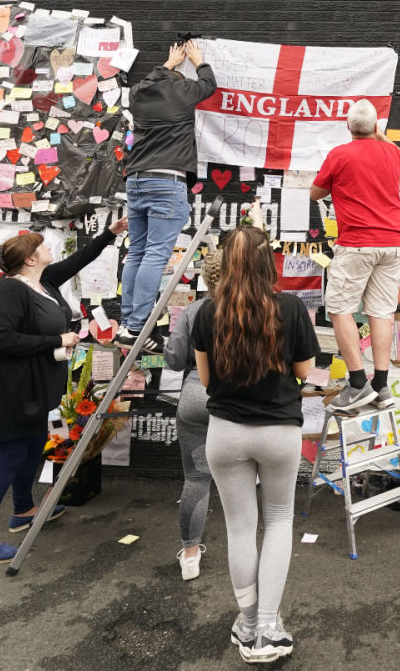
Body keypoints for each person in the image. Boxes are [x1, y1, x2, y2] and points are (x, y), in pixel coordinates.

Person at [0, 217, 128, 564]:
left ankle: (23, 511)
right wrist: (56, 340)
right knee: (9, 458)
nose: (49, 248)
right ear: (29, 259)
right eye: (42, 246)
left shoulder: (44, 283)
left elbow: (77, 260)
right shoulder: (10, 289)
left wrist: (109, 234)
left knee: (29, 450)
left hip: (34, 386)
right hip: (7, 389)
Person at [193, 225, 320, 662]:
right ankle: (268, 627)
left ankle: (246, 623)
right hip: (279, 432)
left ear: (225, 262)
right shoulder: (290, 307)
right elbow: (305, 371)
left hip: (225, 433)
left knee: (240, 528)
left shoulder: (207, 312)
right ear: (270, 261)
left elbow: (206, 380)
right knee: (279, 521)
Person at [116, 37, 217, 354]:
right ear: (178, 81)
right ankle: (137, 328)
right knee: (156, 255)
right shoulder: (182, 91)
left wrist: (169, 64)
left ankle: (127, 324)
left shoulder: (139, 93)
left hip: (136, 179)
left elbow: (153, 78)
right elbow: (209, 84)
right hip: (167, 180)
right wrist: (199, 60)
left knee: (137, 253)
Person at [310, 98, 400, 412]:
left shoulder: (340, 154)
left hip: (357, 243)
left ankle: (357, 383)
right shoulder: (390, 154)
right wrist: (380, 136)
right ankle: (381, 385)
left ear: (348, 127)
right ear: (375, 128)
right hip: (393, 241)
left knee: (340, 308)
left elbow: (315, 192)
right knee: (382, 312)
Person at [162, 247, 227, 581]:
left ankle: (190, 556)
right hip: (239, 401)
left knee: (197, 478)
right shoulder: (256, 308)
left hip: (196, 395)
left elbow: (173, 359)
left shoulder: (193, 311)